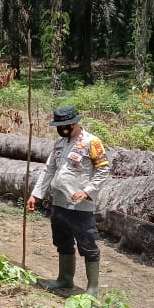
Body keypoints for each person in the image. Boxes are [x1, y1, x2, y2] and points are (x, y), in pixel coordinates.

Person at [26, 105, 111, 296]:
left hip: (80, 205)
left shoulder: (92, 142)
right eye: (59, 125)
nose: (61, 129)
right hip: (59, 202)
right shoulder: (59, 144)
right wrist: (36, 194)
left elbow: (103, 170)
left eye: (64, 125)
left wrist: (87, 191)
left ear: (74, 123)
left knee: (87, 243)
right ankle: (65, 279)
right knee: (62, 241)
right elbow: (49, 170)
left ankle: (92, 289)